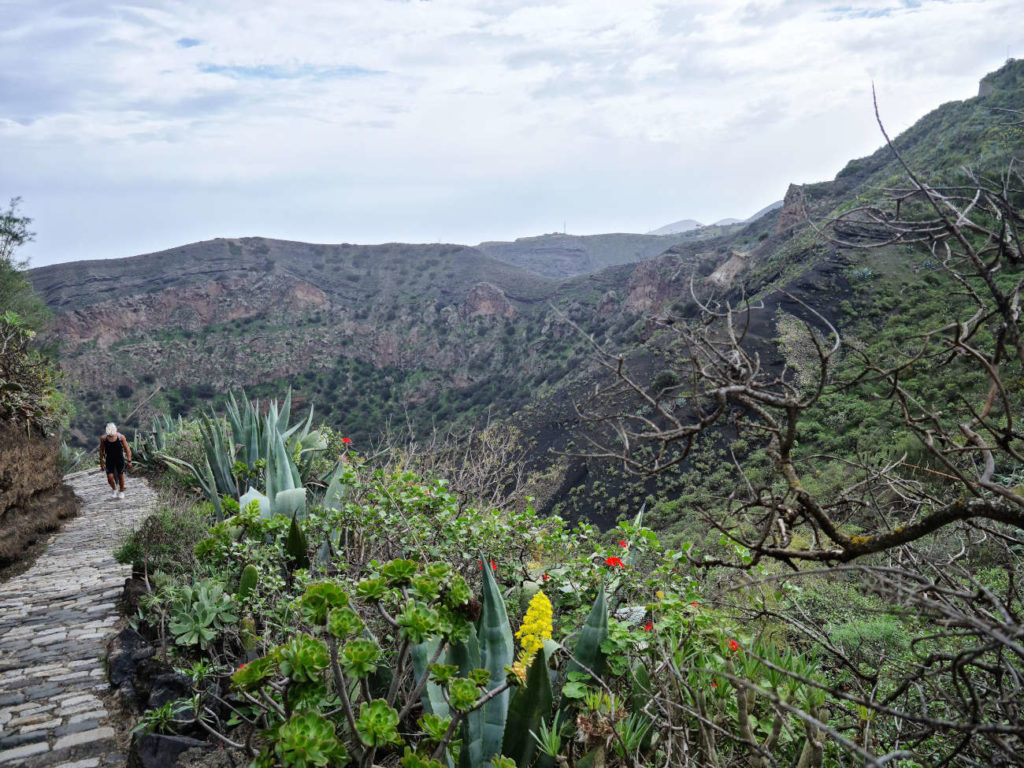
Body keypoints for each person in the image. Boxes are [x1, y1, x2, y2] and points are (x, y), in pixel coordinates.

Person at [99, 422, 132, 499]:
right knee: (110, 477)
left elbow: (127, 449)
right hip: (109, 460)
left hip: (119, 460)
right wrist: (101, 462)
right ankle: (114, 489)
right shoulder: (103, 439)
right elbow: (101, 450)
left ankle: (121, 491)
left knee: (120, 476)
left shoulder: (121, 437)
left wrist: (129, 460)